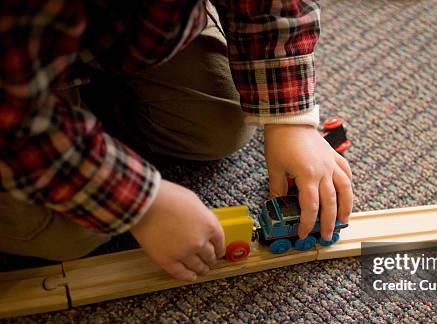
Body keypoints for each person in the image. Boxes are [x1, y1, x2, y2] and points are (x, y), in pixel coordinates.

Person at [0, 0, 353, 281]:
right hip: (15, 88)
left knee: (222, 125)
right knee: (68, 233)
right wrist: (142, 204)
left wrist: (289, 119)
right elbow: (17, 122)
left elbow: (270, 6)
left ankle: (92, 113)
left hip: (129, 32)